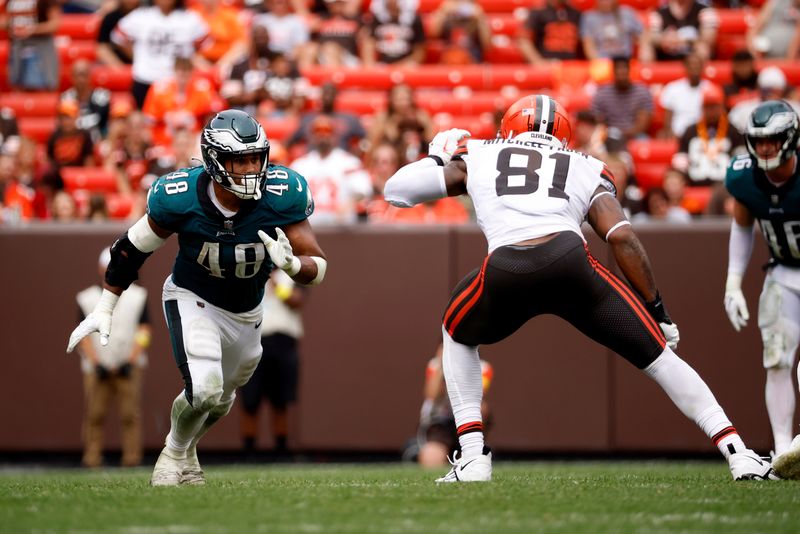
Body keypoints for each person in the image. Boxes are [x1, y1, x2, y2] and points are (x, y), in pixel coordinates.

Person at [384, 94, 786, 483]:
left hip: (508, 267)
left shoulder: (481, 153)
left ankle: (473, 458)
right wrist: (657, 310)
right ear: (563, 135)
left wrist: (438, 155)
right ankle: (737, 452)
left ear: (508, 128)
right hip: (569, 264)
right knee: (660, 359)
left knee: (456, 331)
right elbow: (622, 237)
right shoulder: (586, 165)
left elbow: (397, 192)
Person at [66, 109, 327, 486]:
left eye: (256, 157)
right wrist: (106, 305)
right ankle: (172, 456)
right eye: (240, 160)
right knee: (204, 389)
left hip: (247, 312)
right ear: (216, 161)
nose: (251, 168)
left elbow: (318, 267)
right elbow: (132, 248)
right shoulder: (180, 196)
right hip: (193, 296)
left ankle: (186, 454)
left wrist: (292, 265)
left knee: (220, 400)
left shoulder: (282, 193)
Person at [723, 100, 800, 479]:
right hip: (783, 273)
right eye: (759, 140)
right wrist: (733, 281)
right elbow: (741, 224)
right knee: (777, 358)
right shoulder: (744, 178)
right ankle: (784, 451)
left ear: (791, 138)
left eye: (773, 140)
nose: (766, 148)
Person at [75, 247, 150, 468]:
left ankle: (132, 458)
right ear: (100, 269)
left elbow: (145, 330)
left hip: (129, 364)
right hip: (96, 366)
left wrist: (132, 358)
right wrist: (96, 362)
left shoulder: (138, 296)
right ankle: (91, 457)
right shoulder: (86, 298)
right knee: (94, 414)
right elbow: (83, 335)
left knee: (130, 414)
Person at [239, 269, 303, 454]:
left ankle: (281, 449)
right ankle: (248, 449)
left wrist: (276, 284)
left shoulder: (291, 275)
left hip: (283, 342)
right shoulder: (248, 274)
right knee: (250, 399)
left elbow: (296, 301)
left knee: (280, 399)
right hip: (253, 340)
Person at [413, 343, 493, 468]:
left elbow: (476, 396)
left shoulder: (483, 367)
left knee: (482, 408)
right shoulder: (434, 365)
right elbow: (432, 395)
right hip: (441, 423)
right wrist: (442, 365)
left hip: (466, 420)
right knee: (431, 458)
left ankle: (472, 450)